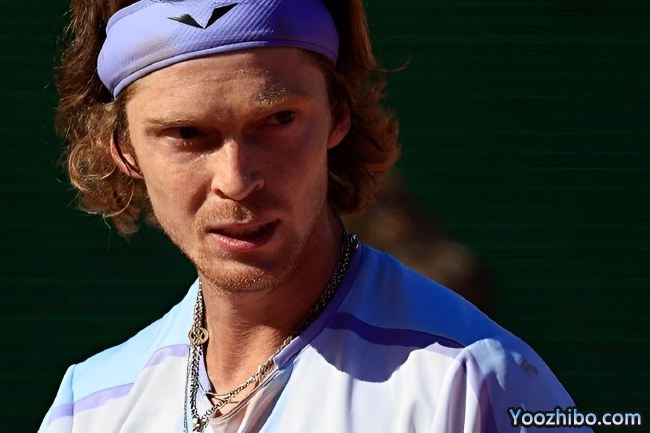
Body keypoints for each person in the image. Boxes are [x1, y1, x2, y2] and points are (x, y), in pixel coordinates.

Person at [40, 0, 590, 432]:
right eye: (187, 133)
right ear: (126, 151)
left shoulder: (470, 380)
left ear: (337, 117)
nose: (237, 180)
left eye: (279, 119)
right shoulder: (88, 408)